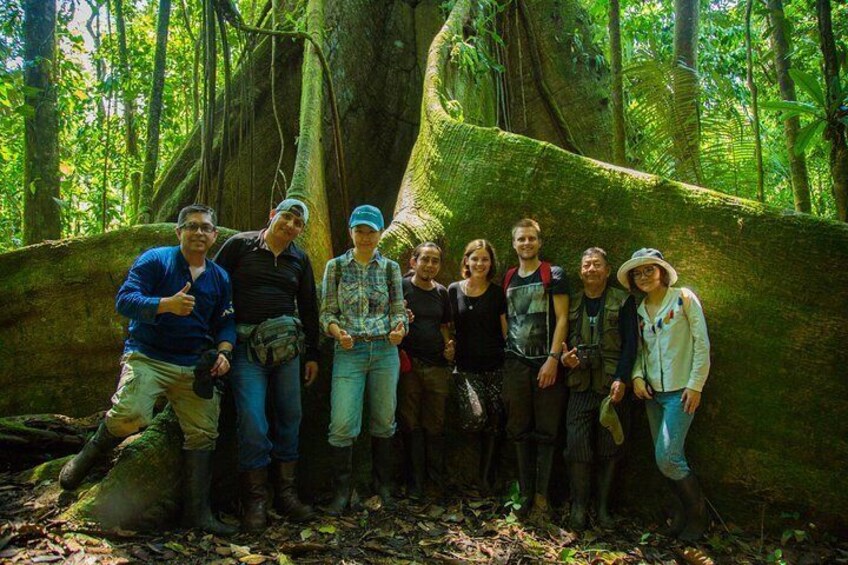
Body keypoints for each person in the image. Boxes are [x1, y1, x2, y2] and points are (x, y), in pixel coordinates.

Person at [59, 204, 237, 535]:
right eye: (192, 226)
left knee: (203, 434)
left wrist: (225, 352)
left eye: (206, 228)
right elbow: (124, 300)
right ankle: (87, 456)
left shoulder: (219, 277)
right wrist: (164, 304)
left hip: (193, 365)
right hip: (148, 356)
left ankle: (197, 513)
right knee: (130, 414)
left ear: (214, 235)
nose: (199, 232)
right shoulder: (155, 260)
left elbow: (226, 322)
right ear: (179, 231)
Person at [214, 198, 319, 530]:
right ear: (272, 215)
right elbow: (214, 287)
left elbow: (308, 305)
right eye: (286, 217)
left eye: (297, 223)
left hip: (288, 350)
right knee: (253, 420)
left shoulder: (299, 259)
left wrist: (313, 354)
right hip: (245, 348)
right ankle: (255, 499)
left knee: (291, 415)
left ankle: (286, 495)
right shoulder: (239, 245)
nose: (290, 225)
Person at [617, 248, 711, 541]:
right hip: (653, 394)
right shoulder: (639, 309)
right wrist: (635, 376)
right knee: (664, 459)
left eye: (649, 270)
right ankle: (682, 512)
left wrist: (696, 384)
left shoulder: (683, 298)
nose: (644, 276)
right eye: (638, 272)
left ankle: (699, 516)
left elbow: (702, 343)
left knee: (669, 456)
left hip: (681, 392)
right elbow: (639, 351)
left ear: (662, 272)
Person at [320, 205, 408, 514]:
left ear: (381, 233)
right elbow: (327, 311)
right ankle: (342, 492)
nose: (365, 237)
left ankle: (382, 486)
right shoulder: (337, 267)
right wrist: (336, 331)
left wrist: (400, 330)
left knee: (384, 420)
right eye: (360, 230)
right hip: (349, 350)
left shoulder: (389, 268)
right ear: (350, 232)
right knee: (342, 423)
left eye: (371, 231)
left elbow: (398, 309)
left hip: (384, 350)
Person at [560, 247, 638, 529]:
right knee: (577, 445)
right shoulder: (572, 302)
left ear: (607, 270)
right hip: (580, 385)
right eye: (586, 265)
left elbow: (632, 343)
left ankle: (604, 509)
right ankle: (579, 507)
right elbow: (560, 338)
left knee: (611, 448)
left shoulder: (623, 300)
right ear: (580, 272)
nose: (591, 269)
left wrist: (622, 378)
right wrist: (563, 358)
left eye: (597, 265)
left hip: (611, 387)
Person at [502, 218, 570, 522]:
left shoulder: (552, 274)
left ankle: (543, 497)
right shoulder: (509, 278)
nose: (526, 243)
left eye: (531, 239)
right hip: (516, 364)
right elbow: (507, 318)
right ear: (514, 244)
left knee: (547, 431)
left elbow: (563, 318)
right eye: (521, 239)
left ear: (539, 242)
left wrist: (553, 359)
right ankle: (525, 493)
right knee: (519, 430)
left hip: (546, 364)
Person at [447, 239, 507, 493]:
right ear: (466, 261)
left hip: (495, 366)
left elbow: (505, 330)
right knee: (475, 418)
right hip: (466, 367)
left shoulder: (496, 293)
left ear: (491, 263)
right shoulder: (453, 290)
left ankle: (486, 478)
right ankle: (463, 470)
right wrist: (447, 346)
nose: (480, 263)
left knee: (496, 421)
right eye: (475, 258)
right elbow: (445, 325)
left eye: (485, 259)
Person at [398, 242, 454, 498]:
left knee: (436, 423)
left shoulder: (441, 292)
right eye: (425, 260)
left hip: (437, 367)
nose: (430, 265)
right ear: (413, 262)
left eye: (435, 261)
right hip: (409, 365)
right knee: (410, 422)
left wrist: (448, 347)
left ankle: (435, 482)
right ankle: (414, 482)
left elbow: (444, 325)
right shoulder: (402, 287)